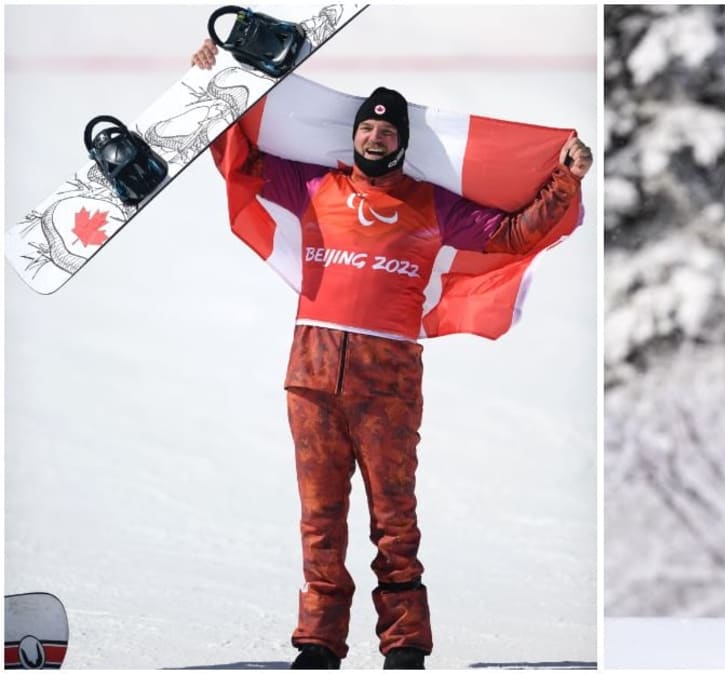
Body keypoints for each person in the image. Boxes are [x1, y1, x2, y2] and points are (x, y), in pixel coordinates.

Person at [191, 40, 593, 669]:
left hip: (389, 383)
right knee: (319, 521)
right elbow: (240, 160)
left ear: (402, 141)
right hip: (312, 377)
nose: (376, 136)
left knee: (394, 523)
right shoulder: (314, 184)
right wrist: (211, 85)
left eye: (387, 129)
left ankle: (404, 645)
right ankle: (319, 643)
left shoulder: (433, 203)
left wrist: (565, 177)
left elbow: (515, 233)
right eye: (368, 126)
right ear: (354, 134)